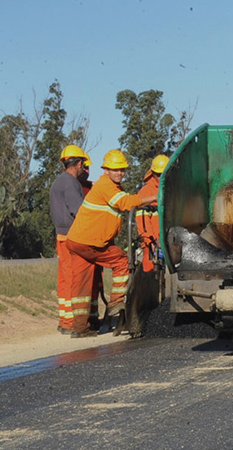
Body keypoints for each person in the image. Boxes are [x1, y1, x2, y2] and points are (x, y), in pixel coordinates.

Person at [65, 150, 158, 337]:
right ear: (106, 169)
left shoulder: (110, 186)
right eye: (115, 170)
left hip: (77, 240)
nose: (119, 173)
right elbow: (125, 203)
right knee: (122, 261)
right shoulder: (106, 186)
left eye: (122, 170)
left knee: (82, 285)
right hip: (90, 242)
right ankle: (116, 302)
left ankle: (80, 328)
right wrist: (156, 197)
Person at [48, 144, 91, 334]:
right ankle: (73, 320)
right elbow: (78, 210)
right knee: (75, 278)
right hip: (72, 236)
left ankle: (65, 321)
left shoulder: (58, 181)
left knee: (65, 278)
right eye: (83, 163)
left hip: (61, 235)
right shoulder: (70, 183)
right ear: (79, 163)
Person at [135, 154, 168, 272]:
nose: (162, 177)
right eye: (159, 175)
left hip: (171, 240)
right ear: (153, 173)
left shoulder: (173, 188)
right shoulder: (146, 192)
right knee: (150, 270)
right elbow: (142, 222)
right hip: (153, 242)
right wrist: (150, 242)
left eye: (165, 173)